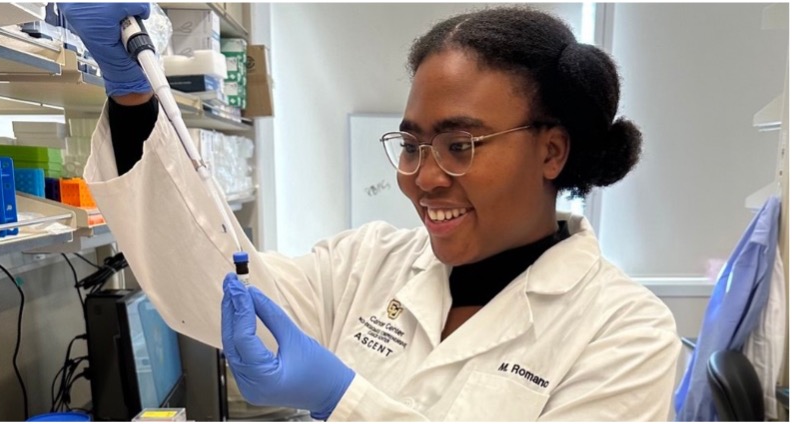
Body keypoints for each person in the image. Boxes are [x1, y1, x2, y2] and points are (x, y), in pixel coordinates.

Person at [61, 3, 681, 421]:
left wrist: (341, 400)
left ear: (551, 150)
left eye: (460, 146)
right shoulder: (366, 264)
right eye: (412, 145)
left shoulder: (626, 333)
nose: (423, 178)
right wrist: (135, 96)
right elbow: (215, 286)